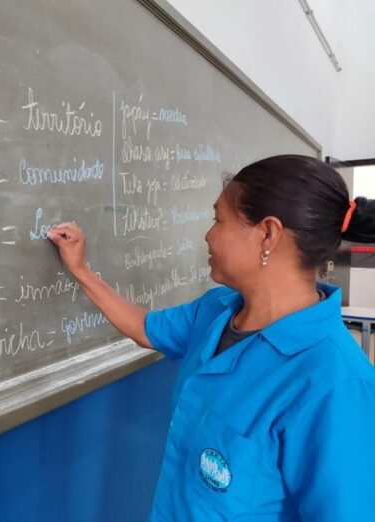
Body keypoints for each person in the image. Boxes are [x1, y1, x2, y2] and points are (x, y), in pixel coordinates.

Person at [47, 155, 375, 521]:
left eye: (219, 220)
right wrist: (80, 270)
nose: (209, 234)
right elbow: (145, 328)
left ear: (268, 233)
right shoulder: (218, 310)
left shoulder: (335, 384)